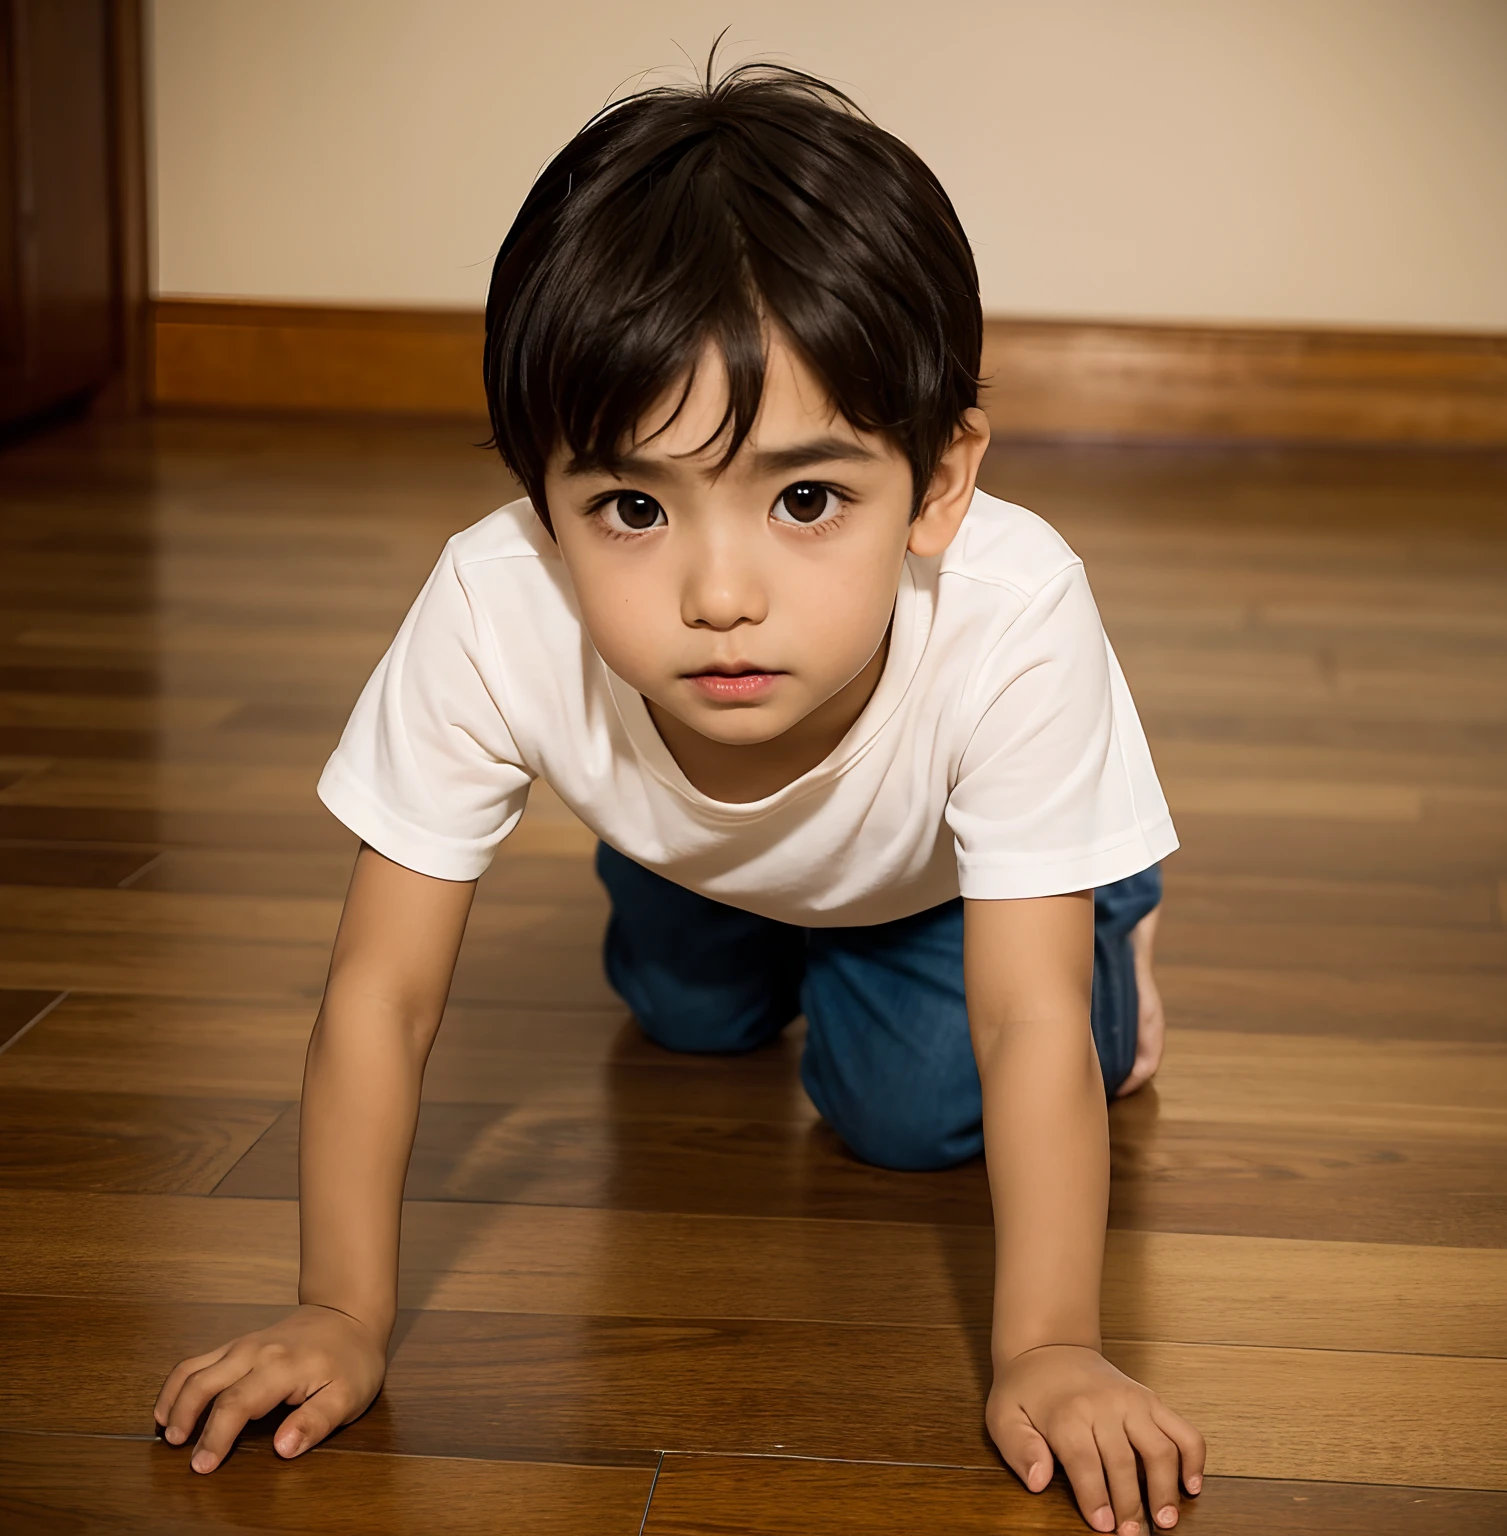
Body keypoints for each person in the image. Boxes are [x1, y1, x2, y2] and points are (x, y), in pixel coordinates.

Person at [153, 63, 1204, 1535]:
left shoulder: (1016, 613)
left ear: (939, 479)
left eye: (806, 499)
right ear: (542, 500)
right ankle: (746, 907)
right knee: (684, 1016)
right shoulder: (492, 603)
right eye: (633, 508)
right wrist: (340, 1309)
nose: (720, 597)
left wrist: (1050, 1349)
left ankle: (1115, 901)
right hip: (702, 851)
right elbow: (379, 996)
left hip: (940, 884)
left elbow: (1020, 1020)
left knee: (903, 1112)